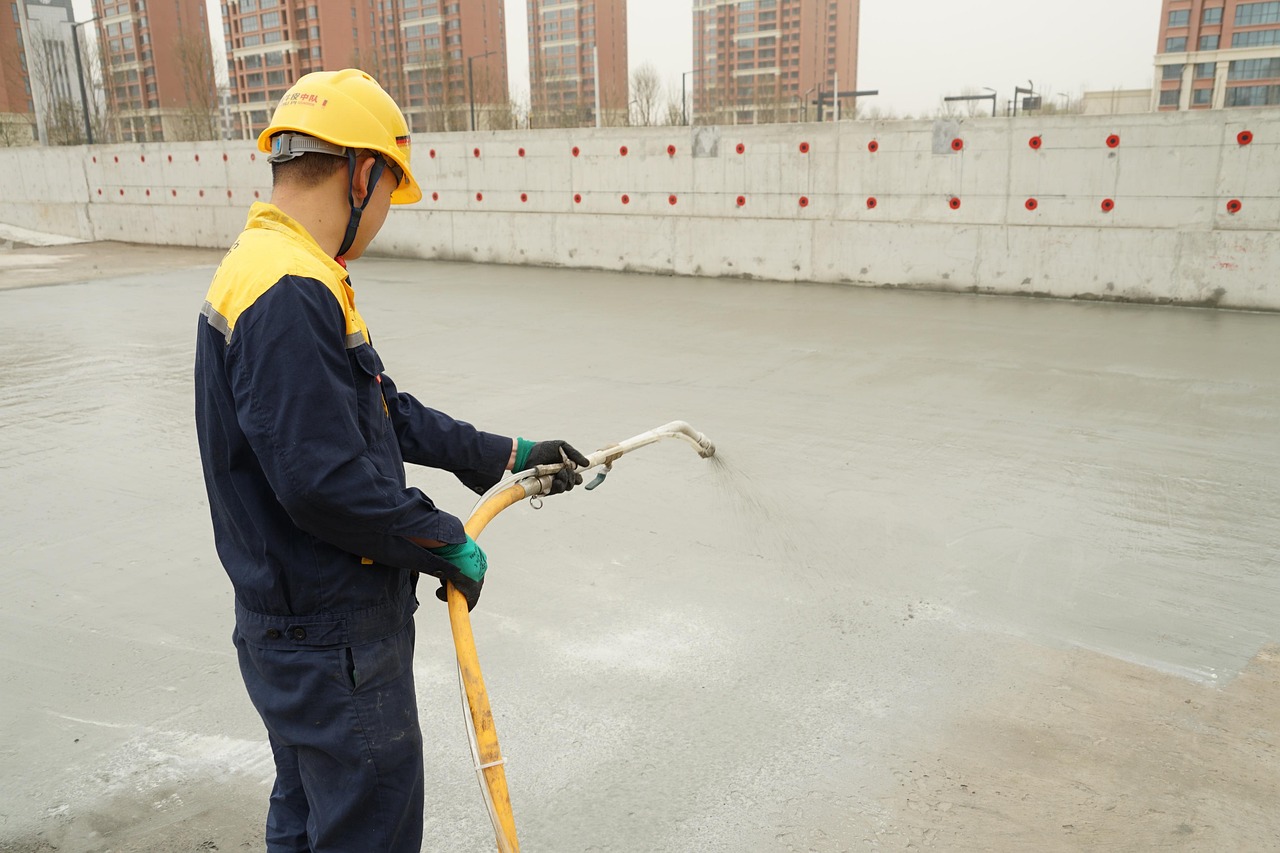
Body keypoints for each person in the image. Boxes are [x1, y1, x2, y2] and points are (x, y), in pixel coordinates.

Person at [193, 68, 589, 853]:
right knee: (364, 828)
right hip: (332, 638)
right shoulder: (288, 291)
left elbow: (380, 410)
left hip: (293, 631)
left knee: (308, 815)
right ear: (360, 171)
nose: (379, 219)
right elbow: (324, 484)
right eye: (384, 193)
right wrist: (442, 540)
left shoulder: (272, 267)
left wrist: (503, 455)